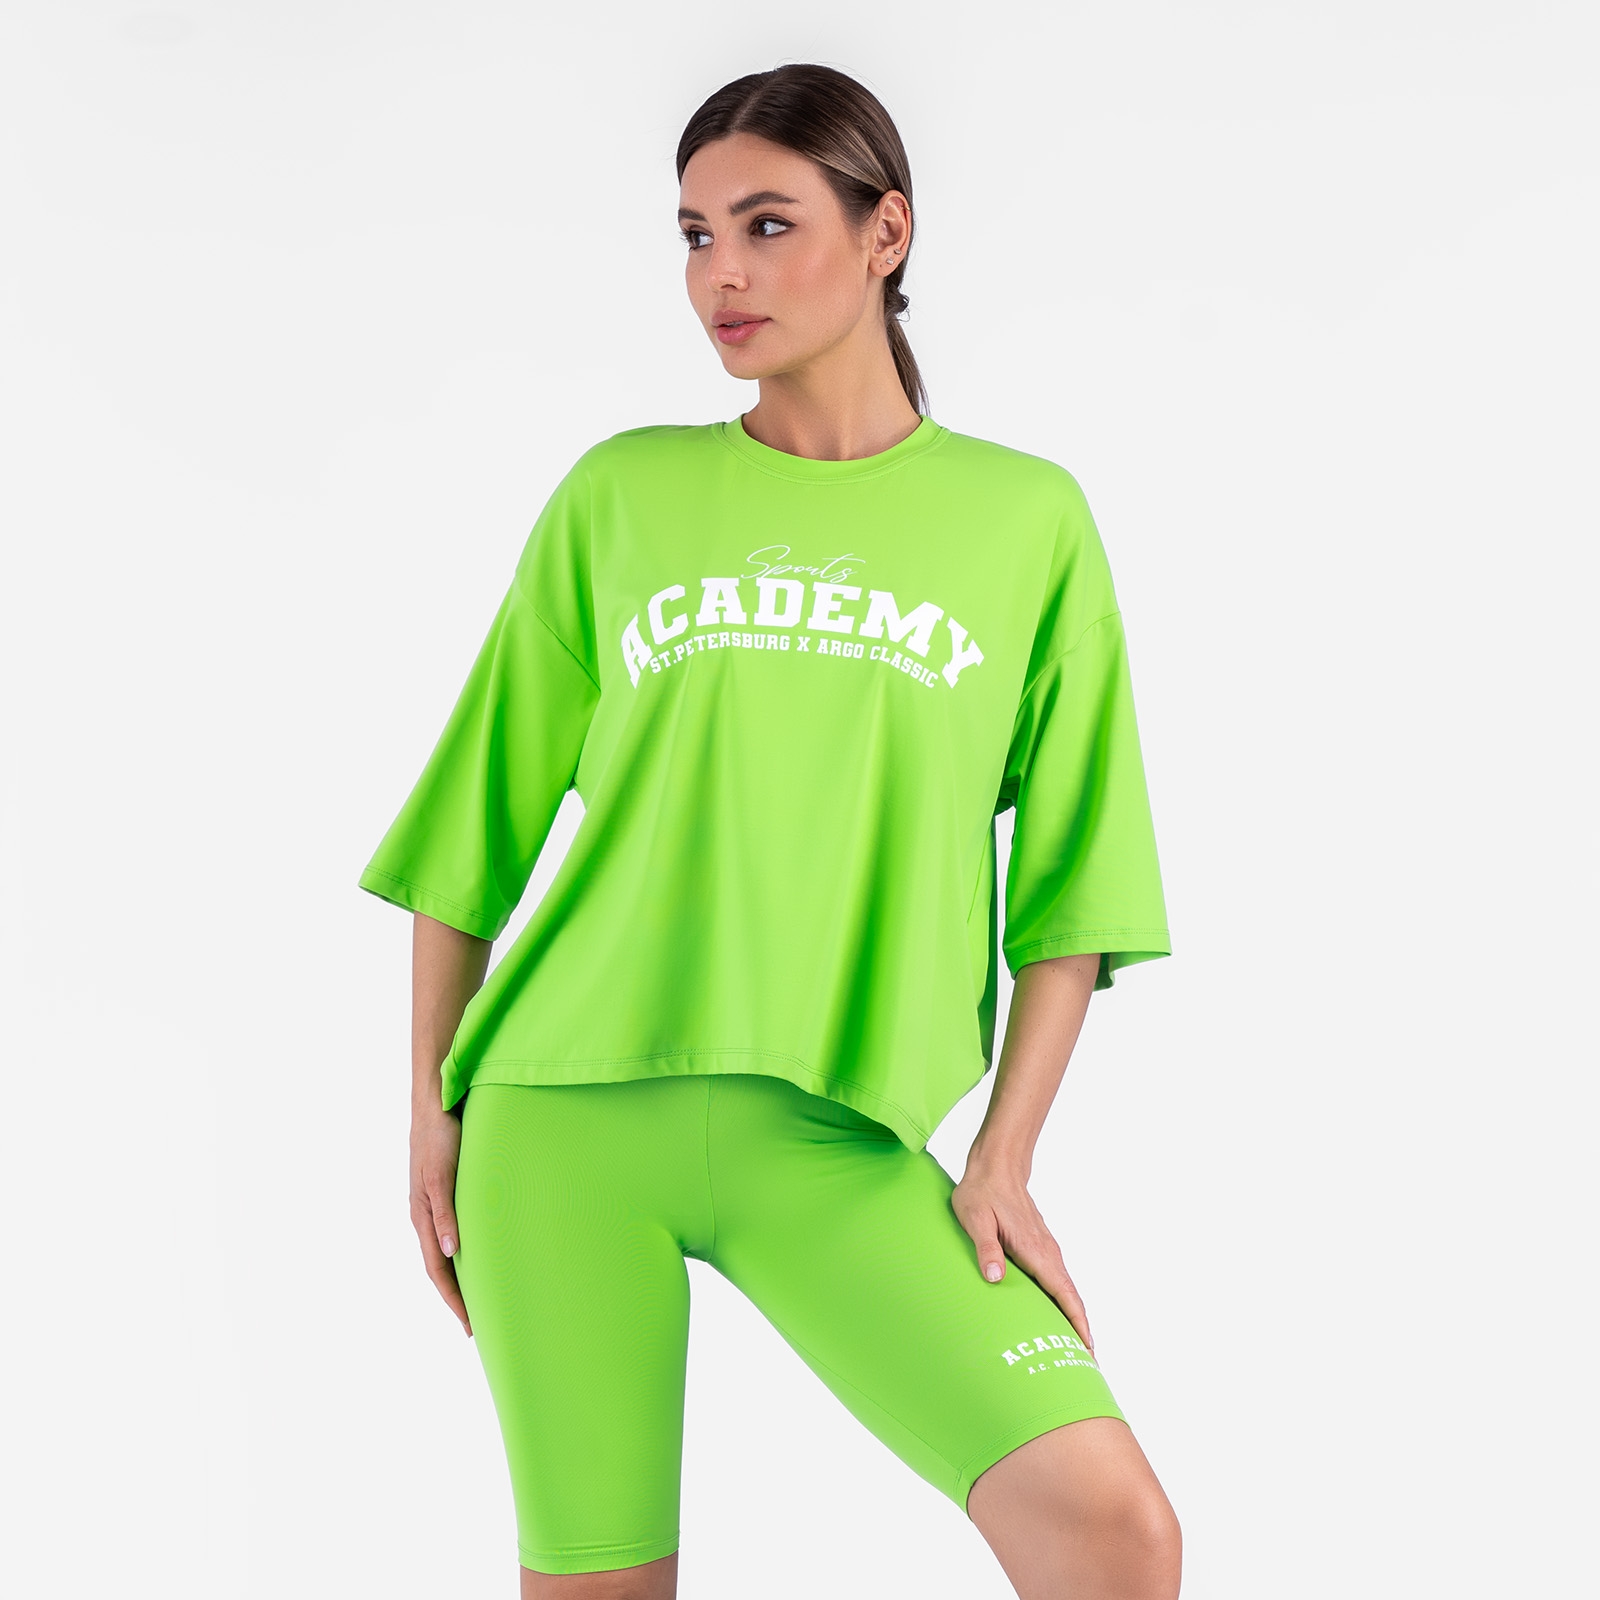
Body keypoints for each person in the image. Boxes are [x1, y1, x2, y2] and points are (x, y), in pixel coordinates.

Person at [358, 62, 1181, 1600]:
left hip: (838, 1134)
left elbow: (1074, 889)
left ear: (886, 233)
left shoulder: (1027, 522)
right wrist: (427, 1107)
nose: (719, 275)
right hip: (560, 1123)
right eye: (693, 235)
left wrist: (1003, 1157)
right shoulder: (622, 496)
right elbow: (470, 837)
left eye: (766, 224)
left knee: (1111, 1528)